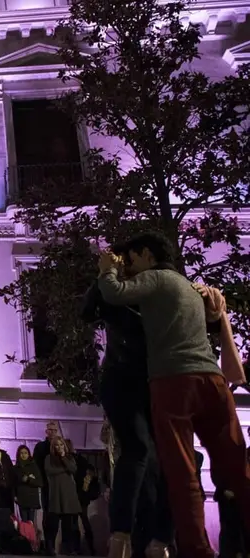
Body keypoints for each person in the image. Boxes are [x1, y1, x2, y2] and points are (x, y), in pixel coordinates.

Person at [97, 230, 250, 558]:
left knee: (181, 472)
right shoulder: (191, 288)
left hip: (173, 382)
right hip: (213, 380)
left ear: (148, 255)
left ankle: (196, 549)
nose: (132, 265)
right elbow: (211, 318)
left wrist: (107, 267)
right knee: (237, 466)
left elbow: (113, 292)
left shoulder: (156, 278)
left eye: (134, 258)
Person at [82, 246, 174, 558]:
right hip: (122, 380)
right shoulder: (114, 295)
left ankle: (153, 538)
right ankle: (122, 535)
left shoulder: (151, 292)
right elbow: (88, 311)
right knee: (138, 450)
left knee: (154, 461)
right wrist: (103, 275)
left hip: (151, 382)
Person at [43, 436, 81, 556]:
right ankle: (50, 548)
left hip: (68, 494)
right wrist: (64, 469)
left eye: (61, 445)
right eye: (56, 445)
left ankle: (68, 549)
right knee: (52, 525)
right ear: (53, 447)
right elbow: (49, 471)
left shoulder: (69, 457)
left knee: (68, 526)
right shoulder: (49, 458)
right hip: (56, 494)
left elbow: (73, 469)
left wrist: (64, 458)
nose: (59, 447)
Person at [13, 444, 42, 523]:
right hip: (21, 498)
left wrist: (29, 479)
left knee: (31, 521)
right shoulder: (15, 468)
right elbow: (13, 483)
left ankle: (31, 535)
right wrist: (14, 495)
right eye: (21, 453)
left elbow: (40, 482)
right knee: (24, 522)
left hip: (32, 498)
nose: (23, 455)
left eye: (25, 453)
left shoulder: (33, 466)